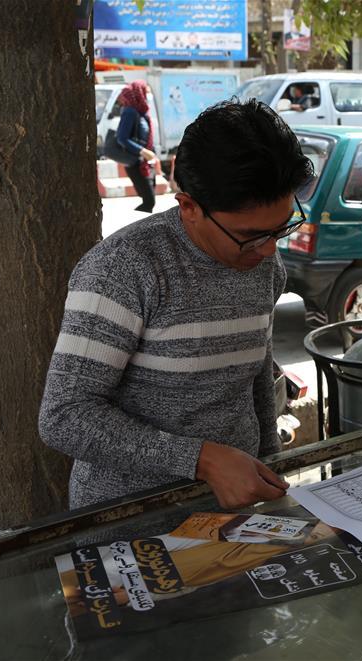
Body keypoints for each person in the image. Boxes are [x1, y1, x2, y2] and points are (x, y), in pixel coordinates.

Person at [39, 99, 314, 510]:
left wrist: (269, 468)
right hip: (130, 521)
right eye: (252, 235)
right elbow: (64, 415)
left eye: (282, 228)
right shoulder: (123, 268)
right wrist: (202, 460)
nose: (269, 249)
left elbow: (256, 371)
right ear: (189, 207)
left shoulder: (264, 262)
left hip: (237, 512)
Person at [115, 80, 157, 213]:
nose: (148, 96)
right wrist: (143, 151)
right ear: (140, 93)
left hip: (145, 161)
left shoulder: (141, 112)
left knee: (149, 201)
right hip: (136, 162)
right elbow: (122, 138)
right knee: (149, 201)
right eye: (147, 92)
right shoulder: (130, 112)